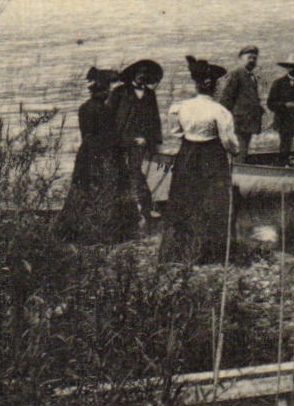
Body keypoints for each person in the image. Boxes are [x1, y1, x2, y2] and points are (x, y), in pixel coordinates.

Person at [159, 56, 239, 264]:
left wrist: (190, 136)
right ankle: (210, 253)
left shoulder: (180, 107)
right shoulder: (220, 111)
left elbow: (175, 131)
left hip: (187, 154)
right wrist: (235, 151)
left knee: (185, 199)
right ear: (212, 86)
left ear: (197, 84)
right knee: (212, 202)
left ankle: (179, 251)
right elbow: (229, 142)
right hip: (212, 157)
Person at [56, 66, 141, 243]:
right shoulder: (105, 111)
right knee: (109, 188)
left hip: (86, 154)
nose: (109, 92)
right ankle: (108, 232)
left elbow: (87, 134)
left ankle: (76, 229)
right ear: (103, 90)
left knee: (83, 189)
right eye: (108, 89)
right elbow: (111, 138)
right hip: (104, 155)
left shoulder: (83, 108)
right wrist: (133, 142)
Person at [109, 58, 164, 220]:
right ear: (133, 74)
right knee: (121, 171)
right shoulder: (119, 92)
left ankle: (145, 208)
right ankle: (123, 208)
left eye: (145, 74)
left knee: (135, 171)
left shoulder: (150, 94)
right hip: (120, 140)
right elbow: (110, 116)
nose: (141, 76)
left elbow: (155, 119)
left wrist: (156, 141)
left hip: (142, 141)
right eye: (139, 73)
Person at [217, 45, 263, 159]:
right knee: (239, 153)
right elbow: (226, 99)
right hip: (238, 123)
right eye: (249, 57)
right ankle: (238, 172)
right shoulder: (236, 73)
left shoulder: (251, 76)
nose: (252, 60)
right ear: (241, 59)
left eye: (254, 58)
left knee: (243, 151)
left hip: (247, 123)